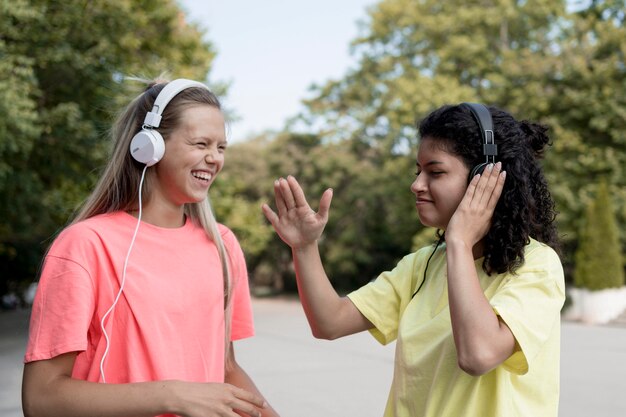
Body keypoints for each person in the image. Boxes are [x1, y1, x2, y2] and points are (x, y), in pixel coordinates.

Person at [262, 103, 565, 417]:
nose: (417, 185)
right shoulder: (422, 265)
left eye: (435, 172)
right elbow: (329, 322)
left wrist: (459, 240)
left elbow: (479, 354)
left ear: (484, 178)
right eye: (417, 171)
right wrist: (304, 248)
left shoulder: (538, 265)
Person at [23, 78, 279, 417]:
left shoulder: (223, 245)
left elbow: (226, 368)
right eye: (200, 143)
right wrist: (172, 395)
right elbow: (41, 399)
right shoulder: (85, 246)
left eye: (221, 147)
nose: (214, 158)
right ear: (150, 145)